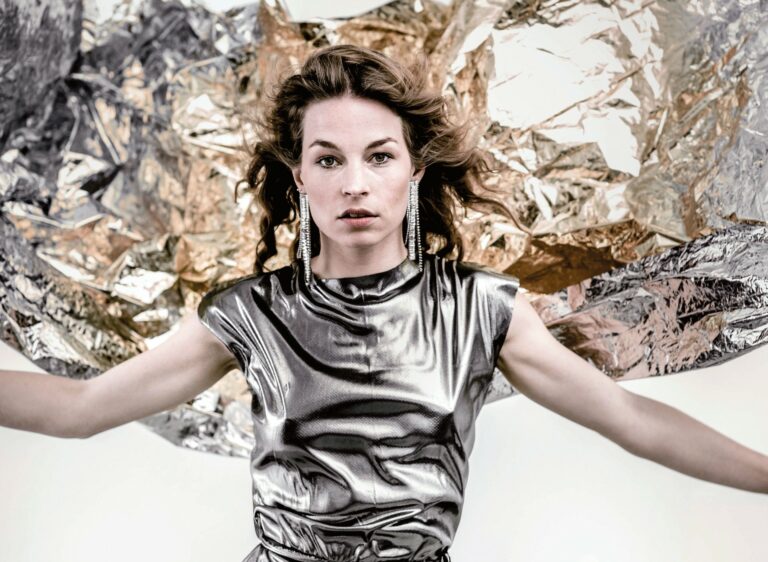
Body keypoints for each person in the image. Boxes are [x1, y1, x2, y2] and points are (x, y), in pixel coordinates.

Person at [1, 45, 766, 562]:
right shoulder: (252, 314)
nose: (355, 184)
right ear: (300, 178)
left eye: (378, 156)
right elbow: (81, 410)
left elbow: (631, 421)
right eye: (328, 159)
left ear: (414, 171)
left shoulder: (483, 310)